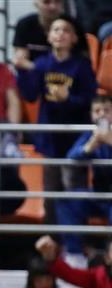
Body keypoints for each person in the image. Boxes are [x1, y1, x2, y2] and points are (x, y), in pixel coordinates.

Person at [16, 14, 98, 233]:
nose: (61, 34)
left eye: (66, 30)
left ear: (74, 38)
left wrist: (68, 99)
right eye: (56, 30)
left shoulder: (81, 65)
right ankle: (52, 241)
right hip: (51, 139)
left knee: (74, 191)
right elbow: (30, 94)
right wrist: (22, 69)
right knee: (51, 193)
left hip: (75, 140)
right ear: (48, 36)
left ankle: (76, 241)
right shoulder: (42, 64)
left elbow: (90, 101)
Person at [61, 95, 112, 258]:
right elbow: (71, 157)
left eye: (107, 110)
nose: (102, 114)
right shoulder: (90, 134)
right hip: (99, 194)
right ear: (91, 115)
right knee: (66, 200)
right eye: (97, 111)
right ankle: (75, 255)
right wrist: (90, 147)